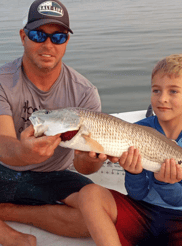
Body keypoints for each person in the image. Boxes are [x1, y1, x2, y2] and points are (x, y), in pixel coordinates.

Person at [77, 54, 182, 245]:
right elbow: (136, 195)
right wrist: (134, 173)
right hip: (140, 211)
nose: (162, 98)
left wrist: (165, 183)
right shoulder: (136, 130)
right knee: (89, 194)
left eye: (173, 91)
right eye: (156, 90)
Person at [0, 0, 111, 242]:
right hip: (4, 170)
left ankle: (7, 211)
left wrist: (90, 159)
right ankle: (12, 237)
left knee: (98, 217)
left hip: (55, 175)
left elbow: (85, 167)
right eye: (39, 35)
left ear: (66, 42)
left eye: (58, 37)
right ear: (23, 36)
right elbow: (3, 144)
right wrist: (24, 152)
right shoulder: (2, 81)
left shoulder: (85, 93)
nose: (48, 45)